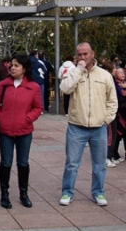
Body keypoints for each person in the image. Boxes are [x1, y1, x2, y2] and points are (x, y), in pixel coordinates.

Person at [59, 42, 117, 207]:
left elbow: (112, 100)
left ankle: (98, 192)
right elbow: (65, 88)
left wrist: (106, 119)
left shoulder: (104, 75)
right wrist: (78, 70)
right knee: (71, 163)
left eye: (85, 54)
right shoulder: (73, 73)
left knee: (99, 164)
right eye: (79, 54)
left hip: (99, 128)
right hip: (77, 126)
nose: (82, 57)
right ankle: (67, 192)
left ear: (93, 54)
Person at [0, 54, 42, 209]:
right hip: (5, 130)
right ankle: (4, 194)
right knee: (6, 162)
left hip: (24, 130)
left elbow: (38, 108)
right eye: (12, 65)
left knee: (23, 163)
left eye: (17, 65)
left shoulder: (33, 87)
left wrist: (27, 118)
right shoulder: (3, 85)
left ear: (24, 69)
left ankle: (23, 193)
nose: (12, 68)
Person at [101, 62, 123, 168]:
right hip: (108, 112)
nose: (116, 70)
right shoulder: (107, 79)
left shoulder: (111, 80)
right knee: (110, 135)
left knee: (113, 134)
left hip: (113, 111)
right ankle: (107, 156)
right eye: (114, 68)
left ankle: (110, 155)